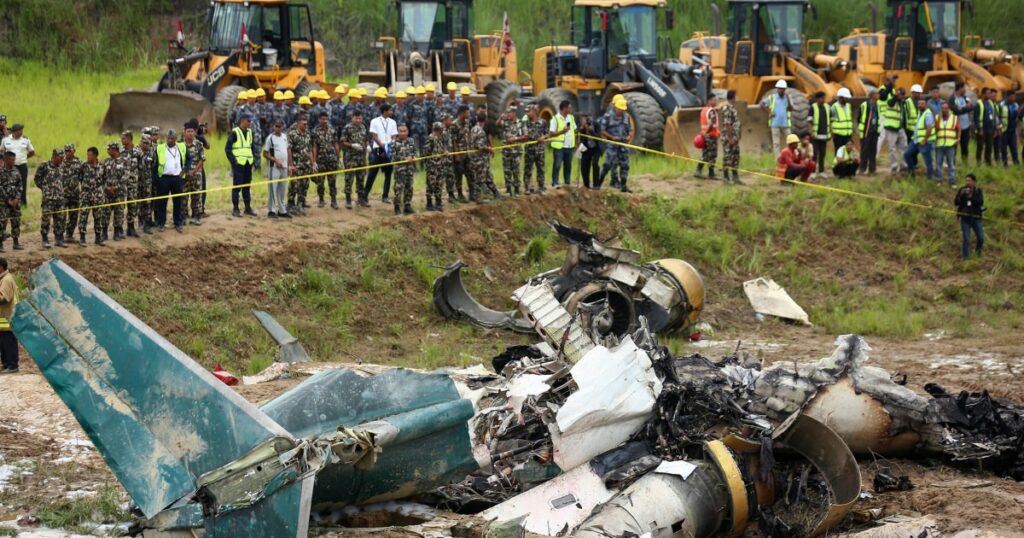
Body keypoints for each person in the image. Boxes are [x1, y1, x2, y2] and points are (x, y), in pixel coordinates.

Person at [226, 113, 258, 217]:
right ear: (242, 121)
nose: (250, 123)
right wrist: (234, 162)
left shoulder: (249, 132)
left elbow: (251, 147)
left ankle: (247, 208)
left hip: (248, 163)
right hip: (239, 164)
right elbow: (227, 149)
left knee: (247, 186)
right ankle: (235, 209)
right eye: (248, 121)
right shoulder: (235, 132)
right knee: (237, 186)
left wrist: (253, 159)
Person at [155, 130, 187, 233]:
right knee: (162, 202)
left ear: (175, 139)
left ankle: (178, 223)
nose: (169, 140)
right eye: (168, 138)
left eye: (172, 138)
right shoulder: (160, 148)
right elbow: (155, 164)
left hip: (177, 178)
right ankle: (161, 223)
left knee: (178, 202)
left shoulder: (181, 147)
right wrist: (157, 178)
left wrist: (185, 170)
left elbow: (189, 159)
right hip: (164, 179)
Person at [365, 104, 397, 204]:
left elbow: (394, 136)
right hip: (378, 149)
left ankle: (385, 196)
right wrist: (383, 147)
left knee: (388, 174)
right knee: (372, 173)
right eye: (390, 110)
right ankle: (364, 195)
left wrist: (390, 145)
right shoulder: (374, 121)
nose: (391, 112)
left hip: (389, 149)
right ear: (385, 111)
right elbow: (374, 136)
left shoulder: (393, 122)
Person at [35, 149, 66, 248]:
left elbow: (62, 180)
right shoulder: (44, 165)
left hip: (60, 198)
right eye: (61, 157)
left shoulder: (62, 166)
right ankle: (45, 239)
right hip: (48, 198)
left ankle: (59, 239)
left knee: (60, 219)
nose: (62, 159)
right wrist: (45, 188)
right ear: (55, 156)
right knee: (46, 219)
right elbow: (37, 179)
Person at [601, 99, 633, 192]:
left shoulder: (626, 117)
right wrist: (612, 137)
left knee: (625, 165)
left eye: (623, 109)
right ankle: (604, 182)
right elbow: (602, 131)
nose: (622, 111)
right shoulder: (608, 116)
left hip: (623, 144)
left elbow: (630, 129)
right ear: (616, 108)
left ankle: (623, 185)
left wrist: (629, 136)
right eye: (620, 109)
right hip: (612, 145)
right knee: (610, 164)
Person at [287, 112, 316, 215]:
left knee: (304, 185)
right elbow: (289, 149)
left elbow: (309, 150)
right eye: (303, 124)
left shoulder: (308, 134)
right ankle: (290, 204)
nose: (305, 126)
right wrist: (290, 165)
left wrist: (313, 164)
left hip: (306, 164)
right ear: (298, 123)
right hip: (296, 164)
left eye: (306, 124)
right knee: (294, 185)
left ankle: (300, 204)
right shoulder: (292, 134)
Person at [0, 124, 34, 207]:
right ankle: (9, 202)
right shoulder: (6, 140)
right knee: (8, 184)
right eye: (19, 130)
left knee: (22, 184)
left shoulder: (26, 140)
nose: (21, 132)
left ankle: (22, 203)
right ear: (14, 131)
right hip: (9, 167)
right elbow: (1, 151)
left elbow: (32, 152)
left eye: (22, 130)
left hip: (22, 166)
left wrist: (23, 158)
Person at [470, 112, 501, 202]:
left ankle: (496, 193)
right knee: (480, 178)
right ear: (485, 121)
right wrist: (489, 149)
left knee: (488, 176)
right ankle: (478, 198)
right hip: (479, 159)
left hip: (479, 158)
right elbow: (479, 146)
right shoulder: (481, 131)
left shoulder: (473, 129)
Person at [262, 119, 290, 218]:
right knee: (272, 189)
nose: (277, 128)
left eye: (279, 126)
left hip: (284, 167)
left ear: (282, 127)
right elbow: (265, 153)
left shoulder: (285, 137)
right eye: (276, 126)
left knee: (282, 189)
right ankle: (271, 210)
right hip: (274, 167)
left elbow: (288, 150)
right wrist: (274, 160)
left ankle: (282, 210)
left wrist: (289, 165)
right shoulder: (270, 138)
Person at [340, 112, 369, 208]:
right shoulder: (347, 128)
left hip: (361, 157)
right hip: (350, 157)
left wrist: (368, 145)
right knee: (349, 179)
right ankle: (348, 200)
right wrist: (352, 145)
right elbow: (342, 142)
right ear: (352, 118)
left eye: (360, 118)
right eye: (356, 118)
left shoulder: (363, 127)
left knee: (361, 178)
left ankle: (361, 199)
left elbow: (366, 138)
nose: (358, 120)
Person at [497, 107, 528, 195]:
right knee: (507, 170)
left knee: (516, 171)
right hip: (506, 151)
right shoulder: (506, 122)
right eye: (507, 113)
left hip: (516, 152)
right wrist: (501, 117)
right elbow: (497, 124)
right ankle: (508, 189)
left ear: (514, 113)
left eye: (509, 113)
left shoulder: (521, 123)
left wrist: (515, 138)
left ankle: (517, 189)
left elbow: (526, 137)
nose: (508, 114)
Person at [101, 142, 127, 241]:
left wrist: (117, 187)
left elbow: (126, 175)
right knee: (105, 213)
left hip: (119, 193)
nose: (107, 151)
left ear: (115, 150)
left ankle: (117, 233)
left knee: (118, 213)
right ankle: (104, 233)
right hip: (107, 193)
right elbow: (102, 177)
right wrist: (106, 187)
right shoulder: (106, 161)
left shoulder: (124, 161)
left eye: (109, 149)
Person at [77, 147, 104, 245]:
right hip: (85, 195)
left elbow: (104, 179)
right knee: (83, 216)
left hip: (98, 196)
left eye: (90, 155)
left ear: (96, 155)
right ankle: (82, 238)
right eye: (87, 155)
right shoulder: (83, 165)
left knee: (98, 217)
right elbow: (80, 177)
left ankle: (98, 237)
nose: (88, 157)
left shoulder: (102, 165)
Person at [313, 112, 340, 208]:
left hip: (332, 159)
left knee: (332, 181)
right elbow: (314, 146)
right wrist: (314, 161)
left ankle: (334, 200)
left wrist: (339, 157)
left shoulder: (332, 130)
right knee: (320, 181)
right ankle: (321, 200)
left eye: (326, 119)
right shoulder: (315, 131)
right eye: (323, 119)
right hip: (321, 160)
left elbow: (336, 143)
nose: (325, 121)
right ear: (319, 119)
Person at [954, 174, 985, 259]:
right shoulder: (962, 190)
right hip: (965, 218)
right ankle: (965, 258)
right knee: (966, 239)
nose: (967, 182)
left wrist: (971, 197)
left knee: (981, 238)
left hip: (976, 217)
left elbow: (980, 202)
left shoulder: (978, 191)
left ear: (973, 181)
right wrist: (961, 196)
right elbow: (956, 202)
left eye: (969, 180)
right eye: (966, 180)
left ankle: (978, 253)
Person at [904, 99, 935, 180]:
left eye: (922, 103)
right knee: (907, 154)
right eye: (919, 104)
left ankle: (929, 178)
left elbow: (929, 128)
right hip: (916, 141)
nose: (920, 105)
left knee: (927, 161)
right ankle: (912, 174)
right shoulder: (920, 113)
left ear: (926, 105)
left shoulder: (928, 114)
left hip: (924, 142)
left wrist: (924, 140)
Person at [391, 124, 418, 215]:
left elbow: (414, 152)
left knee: (409, 187)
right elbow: (392, 157)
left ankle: (407, 206)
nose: (402, 133)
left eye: (404, 131)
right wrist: (404, 159)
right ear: (398, 132)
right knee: (398, 189)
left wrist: (413, 157)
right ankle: (397, 207)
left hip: (410, 169)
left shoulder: (411, 141)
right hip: (400, 170)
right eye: (400, 131)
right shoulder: (394, 143)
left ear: (407, 132)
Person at [549, 100, 577, 188]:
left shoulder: (571, 118)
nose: (570, 109)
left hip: (569, 146)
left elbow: (574, 130)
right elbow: (551, 133)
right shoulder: (555, 119)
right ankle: (555, 182)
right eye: (569, 107)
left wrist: (576, 143)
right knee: (557, 165)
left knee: (568, 165)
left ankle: (567, 182)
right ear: (564, 108)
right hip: (559, 146)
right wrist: (562, 131)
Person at [522, 105, 548, 194]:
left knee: (541, 169)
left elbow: (547, 133)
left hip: (540, 150)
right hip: (529, 150)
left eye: (528, 111)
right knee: (528, 170)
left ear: (534, 111)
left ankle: (541, 188)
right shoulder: (526, 123)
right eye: (526, 111)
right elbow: (526, 135)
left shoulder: (543, 122)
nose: (527, 113)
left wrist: (543, 137)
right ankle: (527, 188)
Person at [761, 80, 791, 155]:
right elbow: (762, 104)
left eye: (783, 88)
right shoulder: (772, 97)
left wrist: (788, 100)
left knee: (790, 140)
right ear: (777, 89)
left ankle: (790, 157)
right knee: (776, 143)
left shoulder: (787, 98)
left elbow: (791, 109)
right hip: (775, 123)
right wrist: (770, 112)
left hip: (785, 123)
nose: (781, 90)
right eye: (780, 88)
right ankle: (778, 160)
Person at [934, 102, 961, 186]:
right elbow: (935, 129)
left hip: (950, 144)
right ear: (940, 109)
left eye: (946, 108)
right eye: (943, 108)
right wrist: (938, 120)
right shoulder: (937, 118)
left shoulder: (954, 118)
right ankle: (939, 180)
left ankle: (952, 181)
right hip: (939, 144)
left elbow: (959, 129)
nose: (944, 110)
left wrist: (958, 138)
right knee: (938, 163)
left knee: (951, 164)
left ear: (948, 109)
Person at [60, 144, 83, 241]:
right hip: (63, 194)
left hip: (75, 193)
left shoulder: (79, 162)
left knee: (74, 215)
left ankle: (69, 234)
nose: (67, 153)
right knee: (61, 216)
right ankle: (59, 235)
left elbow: (82, 176)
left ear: (74, 151)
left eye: (69, 151)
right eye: (66, 151)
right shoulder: (61, 161)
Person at [183, 124, 205, 224]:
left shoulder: (199, 144)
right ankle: (183, 216)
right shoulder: (180, 145)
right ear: (184, 132)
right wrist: (185, 171)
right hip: (184, 175)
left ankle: (196, 216)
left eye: (192, 131)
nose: (190, 133)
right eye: (188, 131)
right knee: (183, 196)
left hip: (196, 175)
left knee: (196, 196)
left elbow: (202, 159)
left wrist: (194, 171)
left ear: (195, 132)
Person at [0, 152, 22, 250]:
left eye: (14, 159)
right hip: (3, 202)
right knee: (2, 222)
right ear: (5, 160)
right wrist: (7, 200)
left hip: (15, 202)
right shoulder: (1, 172)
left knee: (16, 220)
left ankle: (16, 242)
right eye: (11, 159)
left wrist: (17, 198)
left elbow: (20, 185)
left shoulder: (16, 171)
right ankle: (0, 244)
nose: (13, 161)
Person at [450, 106, 473, 200]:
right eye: (467, 112)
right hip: (459, 153)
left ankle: (472, 194)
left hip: (467, 152)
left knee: (470, 173)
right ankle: (460, 194)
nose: (468, 114)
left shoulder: (468, 122)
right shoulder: (454, 124)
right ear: (462, 113)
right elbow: (453, 141)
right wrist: (456, 155)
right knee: (458, 174)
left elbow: (469, 135)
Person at [0, 258, 19, 374]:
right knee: (3, 342)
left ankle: (13, 365)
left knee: (9, 341)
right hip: (3, 317)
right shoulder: (3, 279)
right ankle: (6, 364)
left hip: (8, 317)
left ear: (1, 267)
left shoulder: (6, 280)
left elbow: (4, 298)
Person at [695, 94, 720, 179]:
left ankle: (698, 170)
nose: (716, 101)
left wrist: (704, 133)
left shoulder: (704, 110)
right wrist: (707, 132)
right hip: (711, 136)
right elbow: (711, 124)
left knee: (705, 154)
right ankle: (711, 173)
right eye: (714, 100)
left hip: (705, 136)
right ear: (709, 101)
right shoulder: (712, 111)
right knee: (712, 155)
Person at [720, 90, 742, 184]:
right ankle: (726, 178)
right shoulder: (727, 108)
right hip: (729, 138)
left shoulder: (732, 108)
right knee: (728, 156)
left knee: (735, 156)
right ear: (733, 97)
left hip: (734, 138)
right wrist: (730, 138)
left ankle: (735, 177)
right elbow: (727, 124)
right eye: (735, 96)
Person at [424, 122, 447, 211]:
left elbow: (441, 149)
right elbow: (426, 152)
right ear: (438, 129)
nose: (443, 130)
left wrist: (444, 152)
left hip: (440, 165)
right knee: (431, 184)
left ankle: (438, 202)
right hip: (432, 166)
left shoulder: (440, 138)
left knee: (439, 184)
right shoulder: (430, 138)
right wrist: (434, 156)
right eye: (441, 128)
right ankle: (429, 203)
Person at [950, 82, 975, 163]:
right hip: (955, 127)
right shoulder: (952, 98)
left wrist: (962, 109)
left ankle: (965, 163)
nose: (965, 90)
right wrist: (965, 108)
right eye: (964, 88)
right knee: (954, 147)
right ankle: (952, 164)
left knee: (965, 147)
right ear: (960, 88)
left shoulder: (965, 97)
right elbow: (956, 111)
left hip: (965, 126)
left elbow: (971, 107)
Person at [974, 88, 1000, 167]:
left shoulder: (991, 103)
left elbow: (994, 116)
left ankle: (988, 162)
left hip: (990, 129)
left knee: (989, 147)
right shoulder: (978, 104)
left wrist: (995, 128)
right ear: (983, 94)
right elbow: (976, 118)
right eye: (987, 93)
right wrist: (979, 129)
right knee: (980, 147)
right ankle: (978, 163)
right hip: (982, 129)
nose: (989, 95)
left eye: (989, 93)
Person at [577, 113, 603, 189]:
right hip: (586, 148)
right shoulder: (581, 126)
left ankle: (596, 184)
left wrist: (591, 131)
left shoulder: (596, 125)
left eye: (589, 118)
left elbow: (598, 138)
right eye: (586, 119)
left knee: (595, 164)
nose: (588, 121)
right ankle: (586, 185)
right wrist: (582, 128)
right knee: (584, 165)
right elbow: (579, 138)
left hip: (596, 148)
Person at [809, 91, 831, 178]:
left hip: (824, 135)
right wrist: (811, 132)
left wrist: (830, 133)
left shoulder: (827, 107)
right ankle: (813, 172)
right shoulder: (813, 107)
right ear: (817, 99)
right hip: (815, 136)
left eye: (824, 98)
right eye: (821, 98)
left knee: (822, 154)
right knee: (814, 154)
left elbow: (830, 120)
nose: (823, 100)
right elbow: (809, 121)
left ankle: (821, 171)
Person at [858, 91, 880, 175]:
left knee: (873, 150)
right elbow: (859, 118)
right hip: (866, 131)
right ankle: (862, 169)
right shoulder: (865, 105)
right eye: (877, 94)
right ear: (872, 96)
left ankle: (872, 169)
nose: (878, 95)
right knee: (864, 150)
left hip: (874, 131)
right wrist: (862, 130)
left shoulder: (876, 105)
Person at [998, 91, 1019, 167]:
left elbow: (1017, 116)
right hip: (1004, 131)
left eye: (1014, 97)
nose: (1014, 98)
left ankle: (1016, 163)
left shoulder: (1015, 105)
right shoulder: (1002, 105)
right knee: (1003, 149)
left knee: (1014, 148)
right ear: (1007, 97)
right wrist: (999, 125)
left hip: (1012, 130)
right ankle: (1005, 165)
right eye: (1012, 97)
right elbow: (998, 116)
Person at [832, 88, 854, 158]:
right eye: (846, 97)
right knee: (839, 152)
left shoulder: (848, 106)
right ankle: (837, 167)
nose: (847, 99)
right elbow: (830, 121)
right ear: (841, 98)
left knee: (848, 152)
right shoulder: (834, 107)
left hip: (848, 134)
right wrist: (832, 133)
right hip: (838, 135)